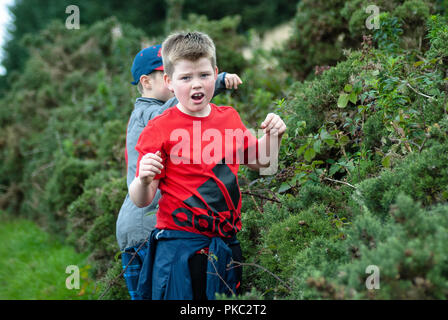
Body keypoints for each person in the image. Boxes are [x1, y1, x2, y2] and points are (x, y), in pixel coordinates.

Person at [129, 31, 286, 300]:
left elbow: (264, 163)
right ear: (168, 81)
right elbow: (142, 200)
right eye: (185, 78)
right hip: (180, 246)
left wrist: (273, 136)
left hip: (226, 243)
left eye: (203, 75)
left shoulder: (229, 118)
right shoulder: (159, 128)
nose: (196, 85)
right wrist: (142, 180)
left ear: (215, 73)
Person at [116, 44, 242, 300]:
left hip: (149, 221)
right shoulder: (146, 113)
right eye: (178, 74)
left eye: (198, 73)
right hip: (143, 223)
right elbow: (172, 110)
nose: (185, 81)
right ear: (148, 81)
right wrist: (213, 82)